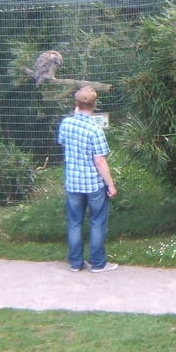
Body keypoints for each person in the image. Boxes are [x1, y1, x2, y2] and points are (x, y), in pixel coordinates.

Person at [58, 85, 118, 273]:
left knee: (75, 222)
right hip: (93, 184)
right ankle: (98, 263)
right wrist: (111, 184)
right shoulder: (95, 129)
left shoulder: (66, 123)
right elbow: (100, 160)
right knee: (97, 222)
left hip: (73, 182)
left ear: (76, 104)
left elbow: (63, 142)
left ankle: (76, 263)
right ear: (95, 104)